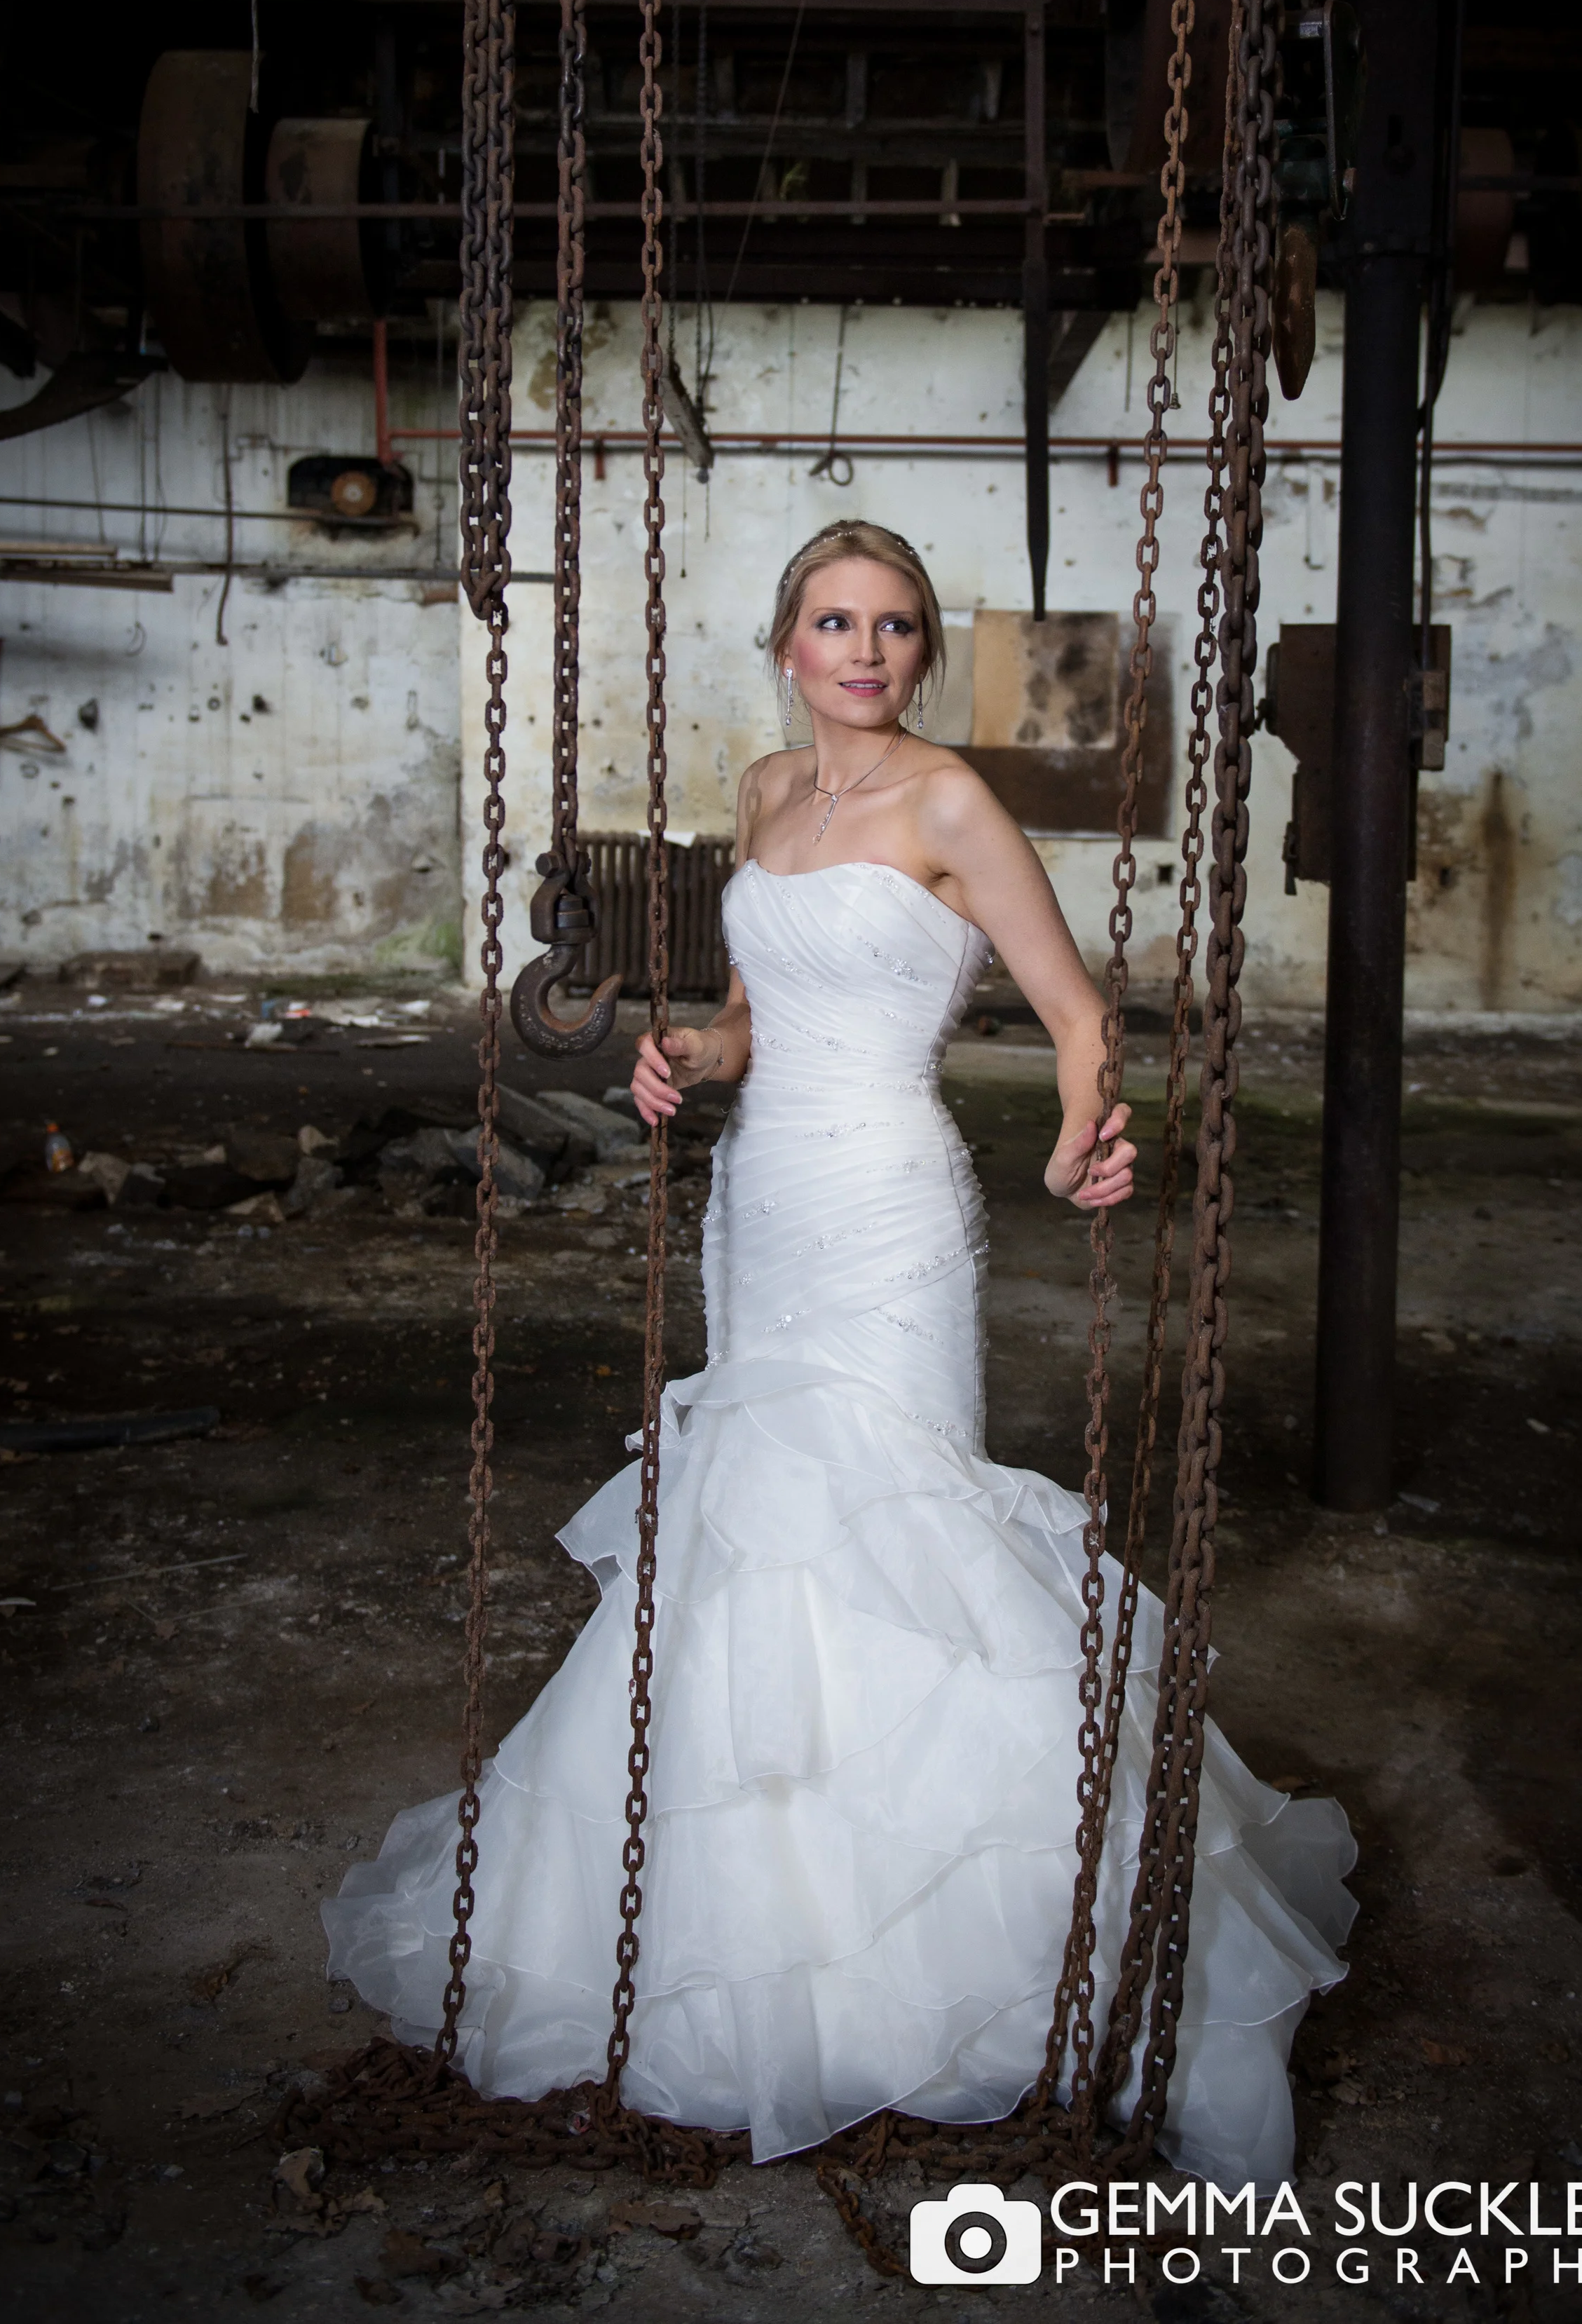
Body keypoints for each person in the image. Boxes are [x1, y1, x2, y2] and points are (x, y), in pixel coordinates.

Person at [324, 519, 1356, 2192]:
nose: (862, 652)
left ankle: (953, 1956)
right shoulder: (758, 794)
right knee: (750, 1528)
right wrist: (682, 1049)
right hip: (765, 1201)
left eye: (890, 627)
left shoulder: (947, 801)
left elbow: (1081, 1014)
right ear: (788, 646)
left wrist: (1079, 1134)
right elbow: (754, 1018)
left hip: (886, 1206)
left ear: (917, 653)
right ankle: (764, 1931)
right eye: (831, 622)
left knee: (890, 1522)